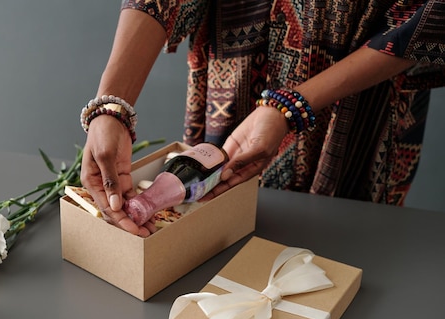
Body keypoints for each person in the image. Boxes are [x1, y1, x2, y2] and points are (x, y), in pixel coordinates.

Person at [80, 0, 445, 237]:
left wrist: (293, 105)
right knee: (218, 225)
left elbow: (431, 17)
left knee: (344, 248)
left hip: (361, 103)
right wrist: (111, 107)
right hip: (232, 84)